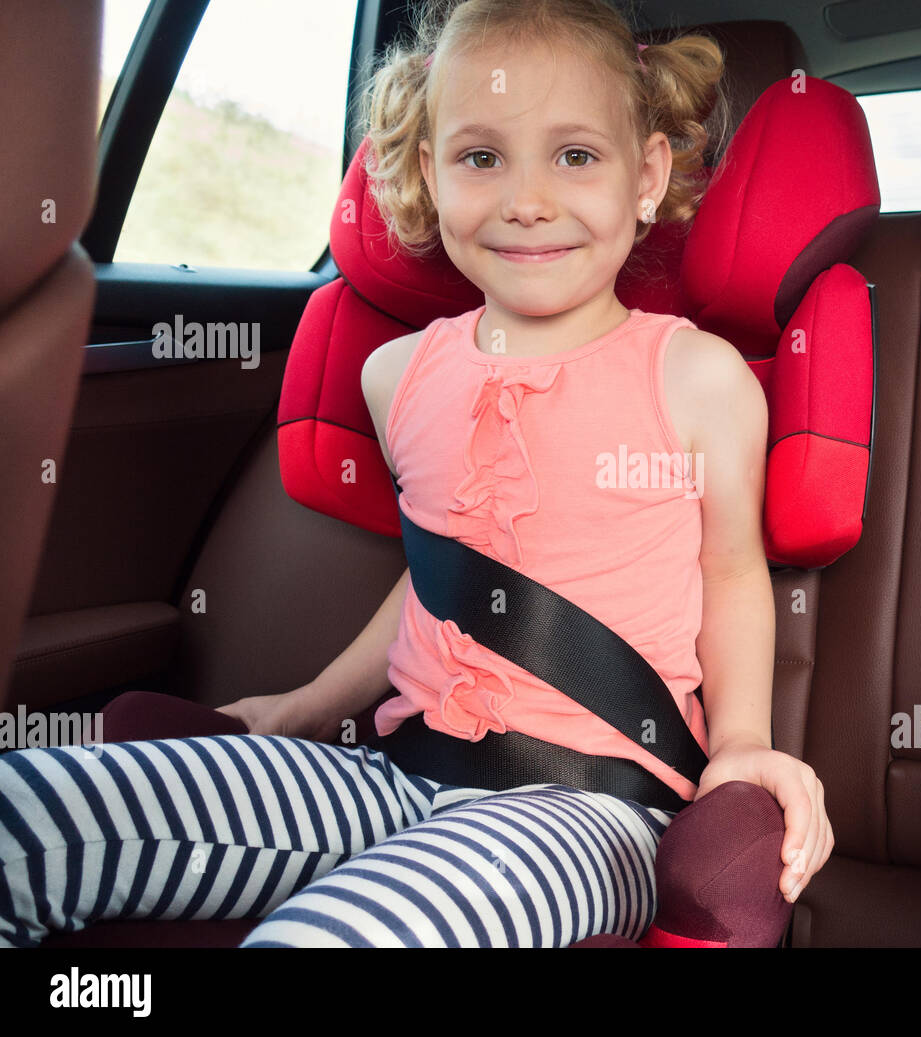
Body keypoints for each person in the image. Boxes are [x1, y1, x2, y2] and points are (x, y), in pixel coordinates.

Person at [0, 0, 831, 948]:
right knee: (26, 814)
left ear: (645, 176)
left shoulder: (696, 378)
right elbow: (439, 578)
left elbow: (729, 570)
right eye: (482, 158)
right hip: (389, 775)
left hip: (590, 811)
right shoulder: (398, 375)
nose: (527, 199)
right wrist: (306, 707)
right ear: (432, 177)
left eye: (575, 155)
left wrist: (742, 745)